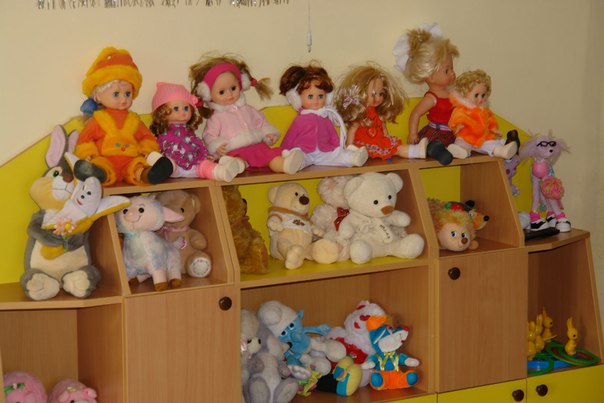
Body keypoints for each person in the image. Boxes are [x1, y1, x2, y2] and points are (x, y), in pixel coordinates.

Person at [189, 54, 304, 174]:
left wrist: (268, 134)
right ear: (209, 95)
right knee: (236, 161)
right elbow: (209, 135)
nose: (230, 94)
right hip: (234, 150)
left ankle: (285, 165)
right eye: (222, 92)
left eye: (233, 88)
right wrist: (217, 147)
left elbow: (261, 122)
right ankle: (233, 167)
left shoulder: (249, 110)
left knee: (271, 157)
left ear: (240, 85)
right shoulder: (216, 118)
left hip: (257, 146)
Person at [75, 47, 172, 186]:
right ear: (99, 96)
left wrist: (146, 151)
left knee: (137, 166)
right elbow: (85, 139)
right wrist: (88, 154)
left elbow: (147, 137)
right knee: (100, 164)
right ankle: (96, 174)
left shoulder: (134, 120)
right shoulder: (98, 119)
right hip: (105, 160)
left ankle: (148, 174)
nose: (123, 99)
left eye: (127, 94)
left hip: (130, 160)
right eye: (116, 94)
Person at [393, 23, 467, 165]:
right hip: (436, 133)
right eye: (447, 70)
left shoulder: (452, 93)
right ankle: (437, 150)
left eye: (452, 68)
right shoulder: (432, 98)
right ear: (431, 76)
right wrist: (413, 133)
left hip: (451, 133)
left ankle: (456, 149)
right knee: (431, 146)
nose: (453, 73)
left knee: (463, 140)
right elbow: (415, 114)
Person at [150, 82, 245, 182]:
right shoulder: (163, 134)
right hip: (175, 166)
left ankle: (222, 171)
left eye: (186, 108)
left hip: (195, 165)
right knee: (168, 163)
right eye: (176, 108)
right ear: (162, 112)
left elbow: (198, 144)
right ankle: (156, 171)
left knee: (205, 166)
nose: (183, 113)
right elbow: (158, 145)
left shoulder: (189, 132)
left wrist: (205, 155)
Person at [278, 63, 368, 169]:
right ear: (297, 98)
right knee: (298, 155)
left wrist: (338, 149)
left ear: (327, 97)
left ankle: (352, 158)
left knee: (337, 155)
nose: (316, 100)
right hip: (305, 151)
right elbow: (290, 137)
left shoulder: (325, 117)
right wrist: (282, 151)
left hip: (324, 151)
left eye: (320, 96)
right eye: (310, 96)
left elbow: (332, 135)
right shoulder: (299, 120)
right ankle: (292, 162)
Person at [335, 63, 428, 160]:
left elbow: (383, 127)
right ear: (361, 94)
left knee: (396, 148)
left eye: (381, 94)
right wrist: (349, 147)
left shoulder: (377, 113)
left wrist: (387, 137)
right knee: (396, 149)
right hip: (363, 145)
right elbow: (352, 131)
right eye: (373, 94)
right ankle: (416, 151)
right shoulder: (359, 115)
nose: (378, 98)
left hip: (378, 141)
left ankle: (416, 151)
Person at [448, 69, 517, 159]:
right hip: (465, 137)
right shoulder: (461, 109)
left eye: (483, 95)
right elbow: (455, 118)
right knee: (460, 142)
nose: (480, 99)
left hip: (481, 138)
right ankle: (462, 151)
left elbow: (490, 120)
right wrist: (457, 126)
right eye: (476, 95)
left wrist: (493, 129)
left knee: (490, 143)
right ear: (464, 93)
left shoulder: (484, 110)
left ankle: (501, 150)